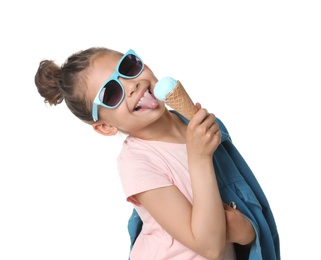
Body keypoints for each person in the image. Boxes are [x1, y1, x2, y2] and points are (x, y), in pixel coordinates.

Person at [35, 47, 280, 259]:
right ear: (105, 127)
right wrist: (199, 157)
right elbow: (210, 247)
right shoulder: (137, 163)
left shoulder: (197, 126)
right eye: (111, 93)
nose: (132, 86)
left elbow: (244, 199)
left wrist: (248, 231)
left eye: (128, 68)